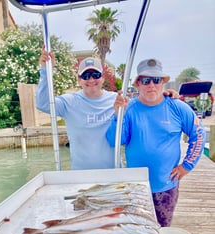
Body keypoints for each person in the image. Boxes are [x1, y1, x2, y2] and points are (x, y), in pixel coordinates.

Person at [36, 48, 178, 170]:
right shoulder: (69, 102)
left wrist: (163, 96)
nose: (91, 80)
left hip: (114, 173)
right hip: (80, 175)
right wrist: (45, 70)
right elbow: (42, 104)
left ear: (103, 78)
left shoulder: (117, 99)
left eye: (96, 75)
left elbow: (144, 104)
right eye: (86, 76)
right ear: (79, 80)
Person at [106, 58, 206, 227]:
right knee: (137, 232)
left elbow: (199, 135)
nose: (151, 84)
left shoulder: (178, 107)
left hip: (166, 187)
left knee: (162, 231)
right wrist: (117, 115)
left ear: (163, 83)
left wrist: (186, 166)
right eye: (146, 80)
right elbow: (114, 140)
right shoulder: (128, 109)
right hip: (136, 188)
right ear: (138, 84)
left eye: (156, 80)